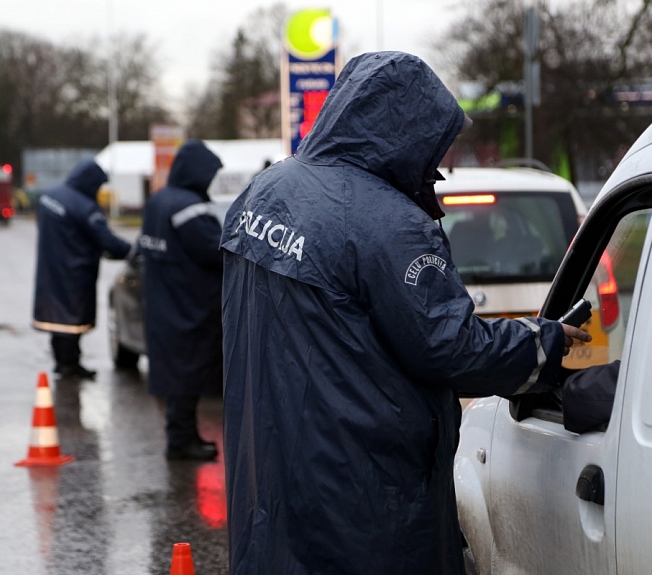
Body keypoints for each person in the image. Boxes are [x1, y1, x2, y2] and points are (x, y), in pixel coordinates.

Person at [220, 51, 591, 574]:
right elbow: (451, 348)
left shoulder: (265, 192)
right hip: (362, 493)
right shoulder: (389, 224)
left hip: (269, 477)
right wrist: (543, 342)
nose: (440, 162)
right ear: (405, 131)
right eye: (437, 144)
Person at [140, 139, 224, 461]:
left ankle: (181, 436)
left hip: (165, 300)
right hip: (190, 302)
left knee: (177, 373)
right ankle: (182, 441)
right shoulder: (189, 208)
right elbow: (217, 250)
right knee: (187, 374)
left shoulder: (158, 201)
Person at [33, 159, 132, 380]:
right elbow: (105, 239)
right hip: (74, 272)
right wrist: (130, 251)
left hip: (51, 268)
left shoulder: (49, 196)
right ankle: (70, 364)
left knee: (56, 318)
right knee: (71, 319)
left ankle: (62, 362)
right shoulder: (84, 207)